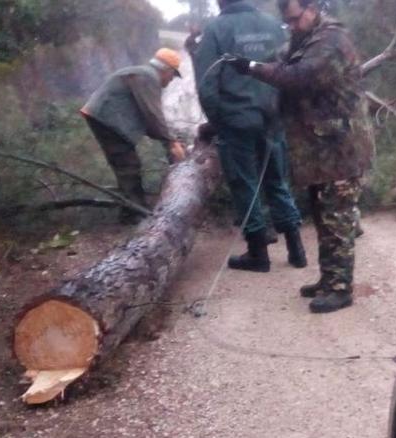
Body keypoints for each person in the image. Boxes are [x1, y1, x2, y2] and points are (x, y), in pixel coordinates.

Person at [229, 0, 375, 314]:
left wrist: (252, 68)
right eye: (287, 23)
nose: (291, 26)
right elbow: (280, 66)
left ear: (312, 8)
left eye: (295, 19)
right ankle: (328, 280)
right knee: (323, 216)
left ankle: (340, 288)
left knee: (337, 218)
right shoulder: (305, 39)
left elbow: (298, 77)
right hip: (320, 149)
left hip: (341, 147)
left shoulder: (332, 40)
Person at [196, 0, 306, 273]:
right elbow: (292, 70)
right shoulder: (274, 25)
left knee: (244, 183)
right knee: (277, 181)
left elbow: (207, 83)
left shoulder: (215, 29)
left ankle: (258, 253)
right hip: (272, 118)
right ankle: (296, 250)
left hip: (236, 119)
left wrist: (217, 120)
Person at [80, 48, 187, 224]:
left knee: (126, 164)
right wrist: (171, 142)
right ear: (167, 70)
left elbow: (150, 121)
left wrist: (167, 140)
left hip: (105, 117)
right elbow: (152, 114)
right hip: (107, 119)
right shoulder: (147, 77)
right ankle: (135, 214)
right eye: (173, 76)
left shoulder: (143, 74)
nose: (170, 81)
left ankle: (131, 210)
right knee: (128, 165)